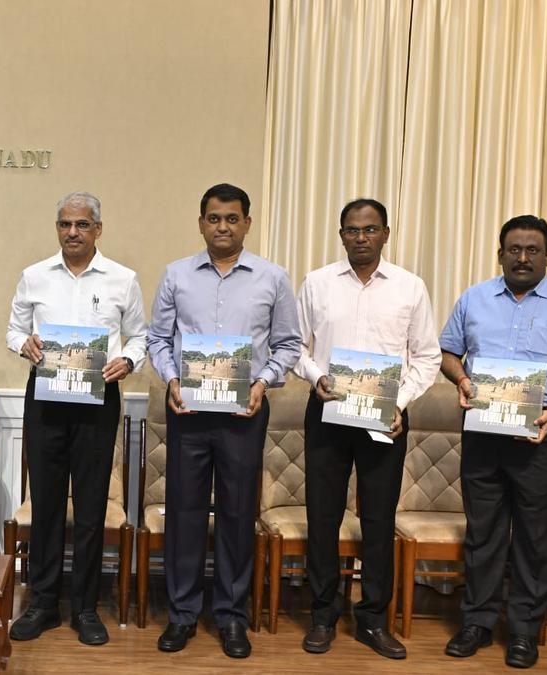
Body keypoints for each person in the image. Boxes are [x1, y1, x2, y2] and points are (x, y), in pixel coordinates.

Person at [439, 215, 547, 669]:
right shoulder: (474, 299)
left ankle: (524, 632)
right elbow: (448, 354)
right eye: (514, 249)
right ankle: (476, 622)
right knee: (483, 533)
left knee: (534, 536)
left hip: (542, 433)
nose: (523, 257)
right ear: (501, 253)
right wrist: (462, 379)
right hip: (484, 432)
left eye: (533, 250)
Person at [146, 183, 301, 658]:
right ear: (201, 223)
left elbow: (289, 345)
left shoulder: (273, 278)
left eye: (232, 218)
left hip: (243, 413)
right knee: (186, 514)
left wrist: (261, 384)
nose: (223, 227)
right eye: (214, 218)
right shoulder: (176, 275)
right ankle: (182, 614)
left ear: (247, 224)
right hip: (189, 412)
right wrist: (172, 380)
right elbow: (157, 339)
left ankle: (233, 616)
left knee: (237, 515)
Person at [293, 199, 440, 659]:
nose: (361, 237)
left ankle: (373, 619)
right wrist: (317, 377)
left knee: (378, 521)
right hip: (328, 412)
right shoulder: (317, 283)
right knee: (323, 516)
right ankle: (322, 615)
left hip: (385, 419)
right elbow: (295, 346)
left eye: (370, 229)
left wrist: (397, 402)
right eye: (352, 230)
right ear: (341, 235)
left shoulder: (410, 287)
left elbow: (427, 356)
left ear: (386, 233)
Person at [5, 191, 146, 645]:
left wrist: (127, 360)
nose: (73, 233)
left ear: (98, 229)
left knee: (90, 507)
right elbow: (12, 328)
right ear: (57, 227)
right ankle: (43, 603)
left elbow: (140, 336)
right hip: (45, 398)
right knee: (45, 503)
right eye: (65, 224)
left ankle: (86, 607)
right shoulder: (34, 276)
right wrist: (20, 344)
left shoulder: (123, 279)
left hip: (98, 399)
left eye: (82, 225)